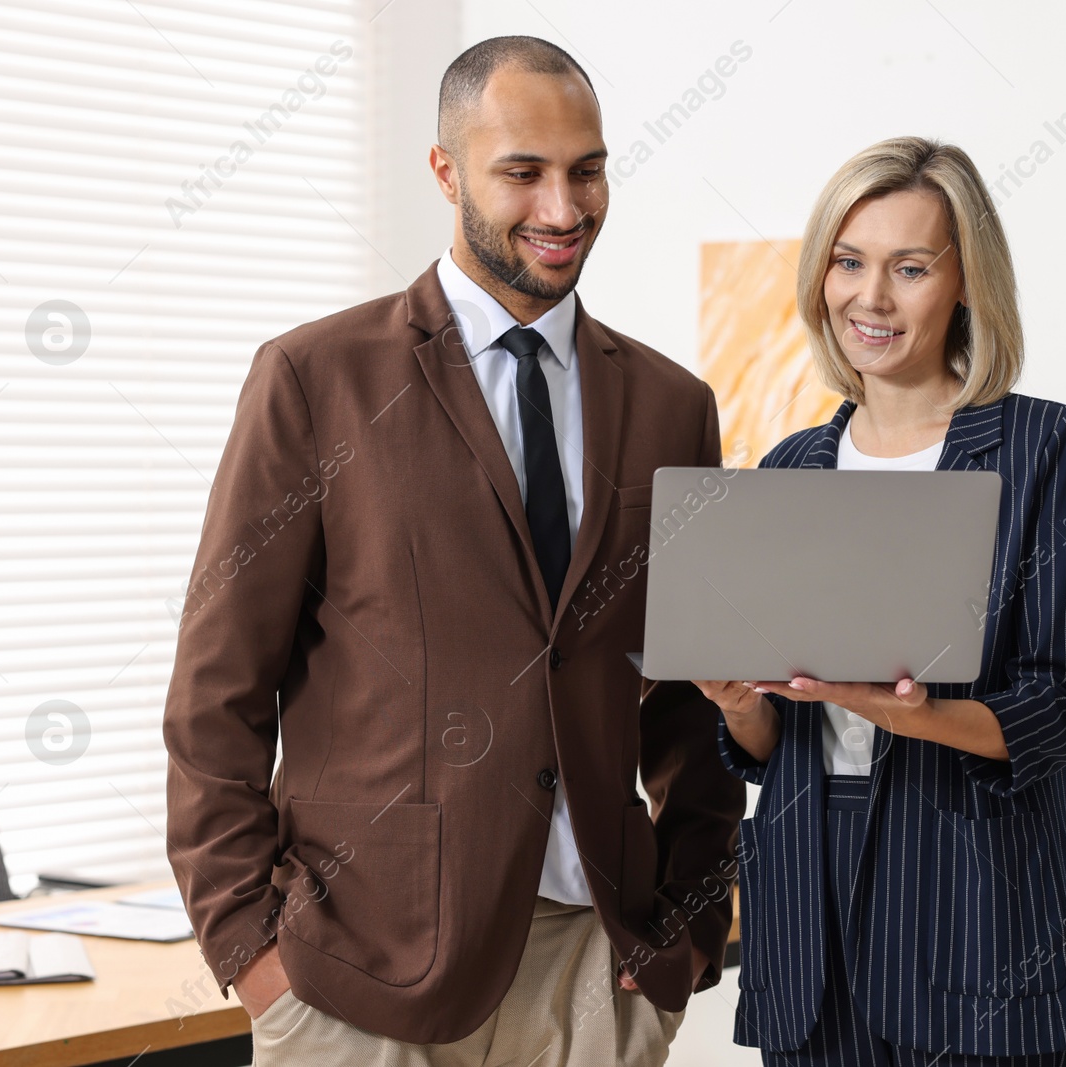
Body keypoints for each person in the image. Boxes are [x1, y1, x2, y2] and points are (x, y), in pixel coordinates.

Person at [162, 35, 744, 1067]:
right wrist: (253, 953)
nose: (563, 209)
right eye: (522, 171)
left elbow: (688, 700)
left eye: (588, 169)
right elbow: (218, 695)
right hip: (359, 976)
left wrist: (690, 932)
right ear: (446, 171)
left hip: (596, 971)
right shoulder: (316, 378)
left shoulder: (670, 406)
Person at [698, 136, 1066, 1066]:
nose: (869, 298)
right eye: (848, 262)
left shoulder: (1044, 448)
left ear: (965, 281)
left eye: (909, 268)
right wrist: (739, 706)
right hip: (809, 918)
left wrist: (900, 710)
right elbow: (773, 747)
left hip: (972, 906)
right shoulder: (792, 466)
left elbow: (1059, 709)